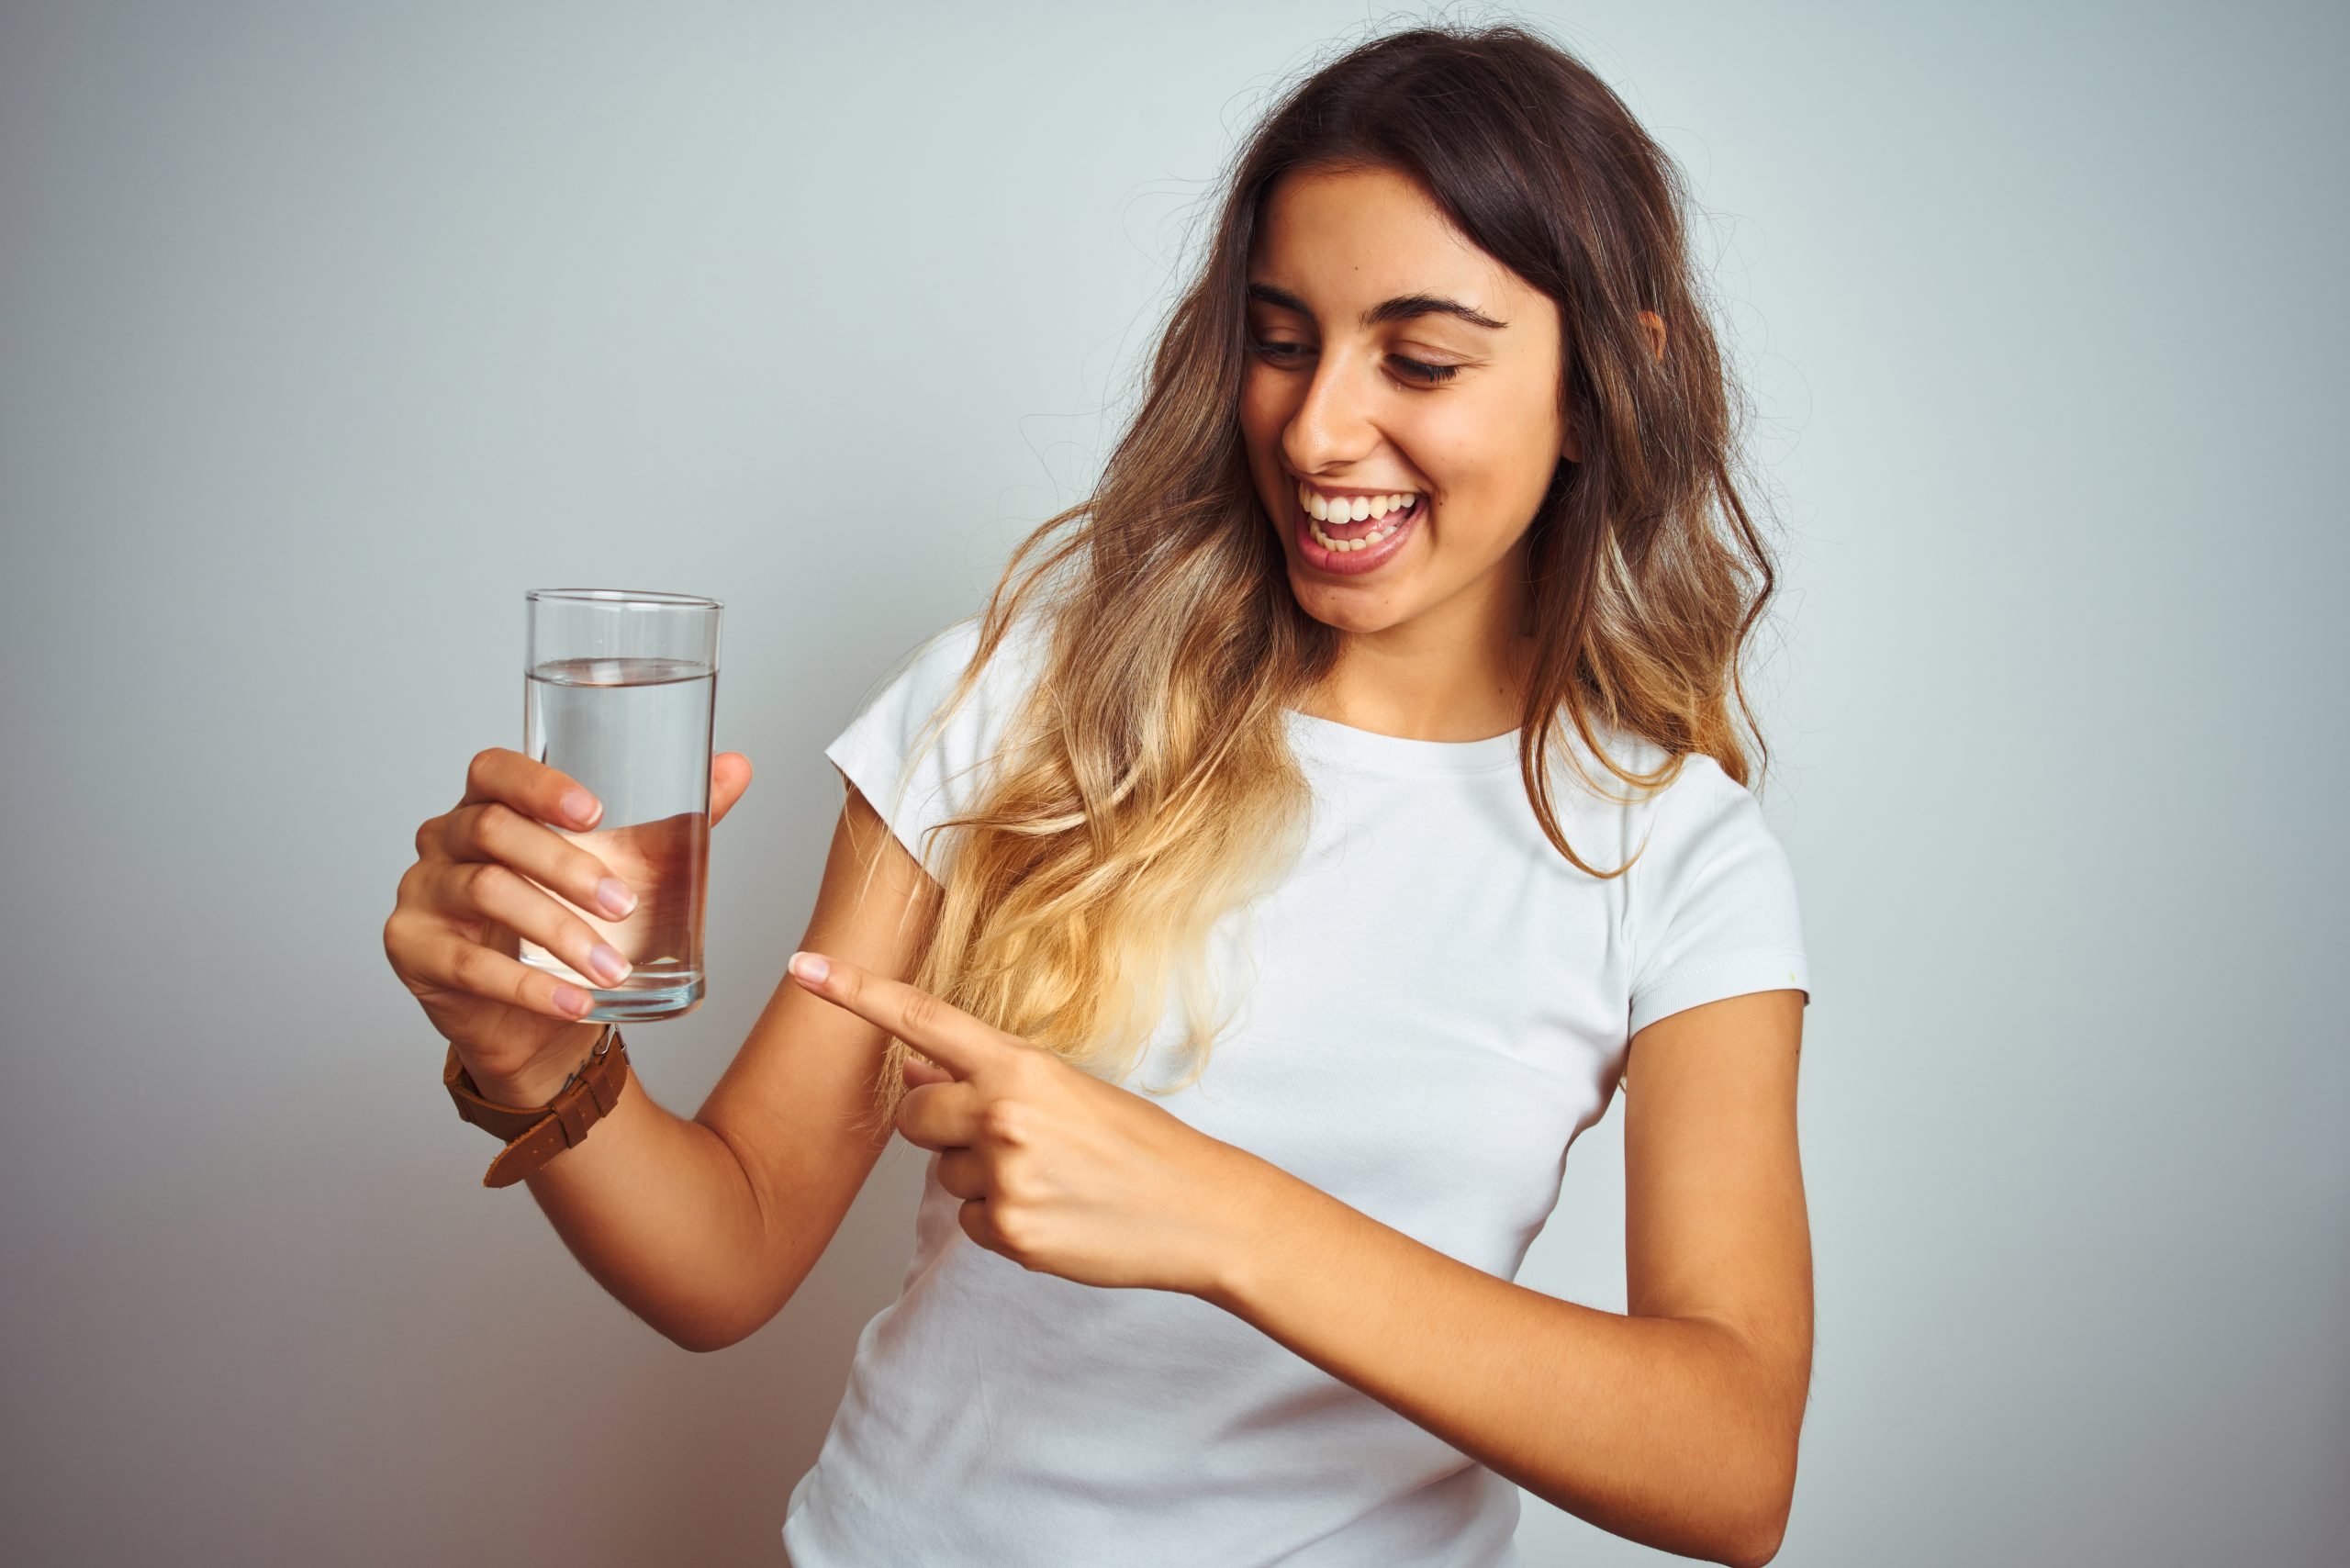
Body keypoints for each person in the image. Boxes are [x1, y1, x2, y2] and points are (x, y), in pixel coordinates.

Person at [384, 21, 1814, 1568]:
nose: (1321, 426)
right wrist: (536, 1062)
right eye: (1282, 339)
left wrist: (1214, 1216)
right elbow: (725, 1251)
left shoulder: (1676, 857)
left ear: (1606, 382)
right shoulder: (1017, 697)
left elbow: (1730, 1465)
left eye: (1421, 358)